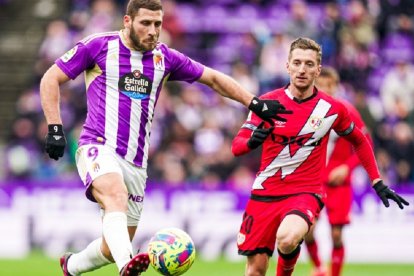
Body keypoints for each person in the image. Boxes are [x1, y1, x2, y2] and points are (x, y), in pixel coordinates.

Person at [39, 1, 291, 276]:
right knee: (115, 195)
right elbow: (51, 78)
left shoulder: (165, 58)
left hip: (136, 161)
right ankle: (128, 268)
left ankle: (72, 266)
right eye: (145, 23)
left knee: (112, 246)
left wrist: (254, 102)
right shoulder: (98, 46)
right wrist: (55, 128)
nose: (152, 30)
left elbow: (213, 78)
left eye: (157, 24)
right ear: (127, 21)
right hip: (97, 146)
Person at [231, 37, 409, 276]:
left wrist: (376, 180)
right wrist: (253, 141)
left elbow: (360, 140)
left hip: (304, 192)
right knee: (255, 271)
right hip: (264, 193)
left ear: (318, 69)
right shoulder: (267, 103)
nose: (302, 69)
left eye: (309, 64)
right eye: (297, 63)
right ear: (287, 66)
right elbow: (237, 146)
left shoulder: (332, 108)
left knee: (287, 238)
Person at [303, 67, 371, 276]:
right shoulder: (306, 111)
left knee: (336, 235)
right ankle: (318, 267)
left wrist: (346, 167)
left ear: (335, 86)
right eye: (320, 86)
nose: (324, 89)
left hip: (339, 183)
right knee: (307, 229)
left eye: (329, 86)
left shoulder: (347, 110)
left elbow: (365, 144)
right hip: (313, 181)